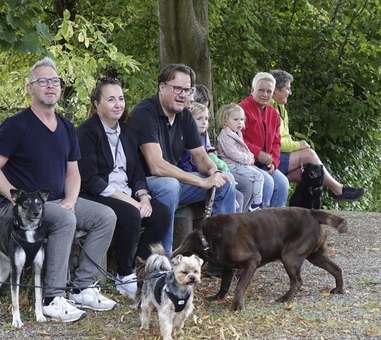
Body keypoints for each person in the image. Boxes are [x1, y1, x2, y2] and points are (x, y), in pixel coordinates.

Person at [0, 57, 117, 323]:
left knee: (105, 216)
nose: (50, 86)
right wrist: (15, 198)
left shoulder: (66, 126)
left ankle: (82, 288)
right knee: (66, 218)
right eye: (42, 81)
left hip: (55, 202)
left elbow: (73, 172)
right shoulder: (15, 126)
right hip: (19, 208)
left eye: (54, 81)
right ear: (30, 88)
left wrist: (70, 198)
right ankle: (52, 298)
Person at [77, 77, 171, 300]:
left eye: (121, 98)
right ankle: (124, 274)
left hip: (127, 193)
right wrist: (131, 202)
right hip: (96, 195)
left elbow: (137, 172)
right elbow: (90, 179)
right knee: (130, 213)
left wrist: (144, 197)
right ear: (97, 104)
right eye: (111, 99)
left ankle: (140, 267)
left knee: (161, 213)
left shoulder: (128, 133)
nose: (118, 104)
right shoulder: (86, 132)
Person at [130, 63, 237, 257]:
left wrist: (214, 172)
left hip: (173, 182)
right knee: (169, 185)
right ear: (162, 87)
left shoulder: (185, 116)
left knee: (226, 183)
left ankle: (222, 255)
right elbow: (156, 166)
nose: (183, 95)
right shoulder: (145, 113)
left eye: (187, 90)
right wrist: (201, 181)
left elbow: (201, 156)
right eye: (177, 88)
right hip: (142, 185)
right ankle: (164, 259)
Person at [270, 69, 365, 201]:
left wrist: (297, 145)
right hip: (271, 157)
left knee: (308, 172)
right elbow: (276, 142)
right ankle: (338, 190)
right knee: (309, 154)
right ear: (275, 90)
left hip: (281, 156)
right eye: (287, 88)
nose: (290, 93)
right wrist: (298, 145)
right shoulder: (269, 108)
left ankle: (301, 209)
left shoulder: (281, 108)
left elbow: (283, 137)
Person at [239, 72, 289, 208]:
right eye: (261, 90)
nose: (265, 94)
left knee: (283, 183)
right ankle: (260, 220)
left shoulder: (273, 114)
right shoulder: (242, 110)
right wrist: (258, 154)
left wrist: (274, 162)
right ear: (252, 90)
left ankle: (278, 225)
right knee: (267, 181)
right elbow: (237, 140)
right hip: (245, 162)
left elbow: (276, 143)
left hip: (264, 164)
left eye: (269, 91)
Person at [216, 103, 264, 211]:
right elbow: (233, 153)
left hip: (239, 164)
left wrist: (250, 156)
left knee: (257, 178)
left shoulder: (237, 133)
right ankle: (255, 205)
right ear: (225, 120)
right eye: (236, 119)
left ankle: (250, 207)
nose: (240, 122)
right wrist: (249, 159)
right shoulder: (225, 136)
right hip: (231, 165)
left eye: (242, 119)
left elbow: (245, 149)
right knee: (258, 176)